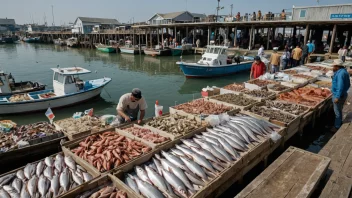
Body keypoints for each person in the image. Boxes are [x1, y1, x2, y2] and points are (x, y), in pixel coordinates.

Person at [330, 59, 350, 132]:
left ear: (337, 66)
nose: (333, 67)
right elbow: (348, 85)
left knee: (337, 112)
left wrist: (337, 97)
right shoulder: (343, 72)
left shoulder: (341, 74)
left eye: (333, 66)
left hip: (338, 95)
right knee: (339, 110)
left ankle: (337, 127)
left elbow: (340, 86)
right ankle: (339, 122)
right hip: (343, 94)